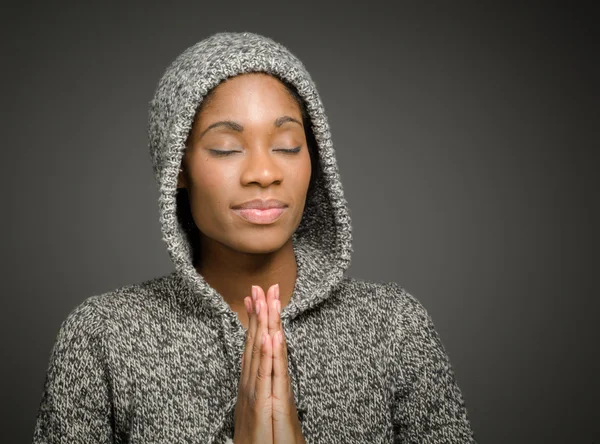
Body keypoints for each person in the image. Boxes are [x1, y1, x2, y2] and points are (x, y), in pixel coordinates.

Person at [32, 31, 477, 443]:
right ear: (178, 167)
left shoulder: (395, 328)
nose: (264, 173)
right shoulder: (102, 337)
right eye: (226, 148)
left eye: (287, 145)